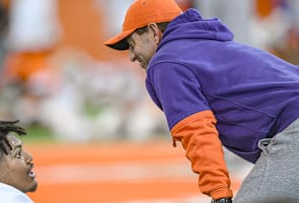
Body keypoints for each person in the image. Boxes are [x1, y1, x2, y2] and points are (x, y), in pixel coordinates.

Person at [104, 0, 299, 203]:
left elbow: (196, 129)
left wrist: (218, 191)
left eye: (132, 44)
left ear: (153, 32)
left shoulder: (166, 62)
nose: (131, 57)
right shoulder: (209, 44)